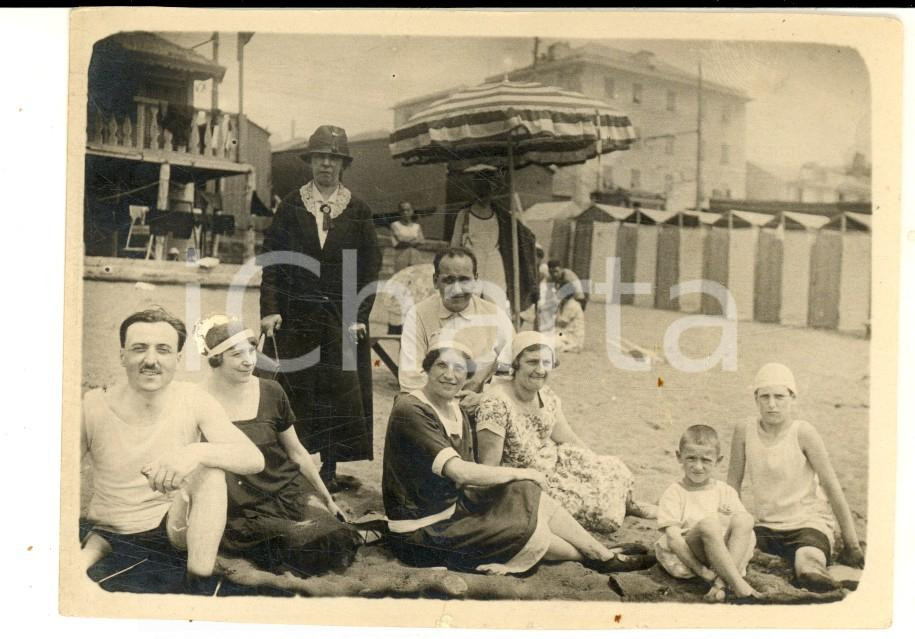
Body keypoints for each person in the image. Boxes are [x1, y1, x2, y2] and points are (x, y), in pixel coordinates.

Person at [382, 338, 656, 575]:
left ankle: (600, 553)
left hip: (454, 510)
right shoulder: (411, 409)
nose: (450, 375)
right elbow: (460, 472)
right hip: (421, 532)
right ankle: (599, 556)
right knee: (520, 523)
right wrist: (521, 472)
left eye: (459, 369)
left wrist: (521, 480)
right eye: (442, 366)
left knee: (525, 492)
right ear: (426, 368)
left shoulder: (455, 407)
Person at [80, 308, 264, 594]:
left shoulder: (193, 399)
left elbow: (254, 459)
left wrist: (194, 452)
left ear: (177, 359)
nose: (151, 360)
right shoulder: (93, 406)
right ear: (122, 356)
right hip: (109, 530)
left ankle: (198, 587)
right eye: (139, 348)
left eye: (163, 350)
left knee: (211, 473)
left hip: (170, 526)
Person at [260, 124, 382, 493]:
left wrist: (359, 317)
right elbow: (273, 263)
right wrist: (270, 308)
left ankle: (329, 470)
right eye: (319, 158)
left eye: (333, 158)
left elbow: (369, 269)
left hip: (341, 319)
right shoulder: (291, 206)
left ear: (342, 164)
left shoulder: (358, 210)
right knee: (292, 390)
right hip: (295, 317)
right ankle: (289, 467)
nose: (325, 165)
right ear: (310, 162)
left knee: (339, 393)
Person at [196, 316, 362, 576]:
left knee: (337, 535)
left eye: (251, 350)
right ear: (216, 359)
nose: (248, 361)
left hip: (286, 491)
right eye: (236, 354)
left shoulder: (272, 391)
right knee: (298, 544)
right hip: (242, 506)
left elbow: (297, 452)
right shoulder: (198, 400)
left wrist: (328, 501)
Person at [476, 332, 656, 535]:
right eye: (532, 362)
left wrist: (597, 465)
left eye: (546, 362)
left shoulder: (546, 395)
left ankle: (629, 504)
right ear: (515, 364)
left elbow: (567, 437)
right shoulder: (496, 403)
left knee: (615, 467)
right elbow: (489, 465)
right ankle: (620, 507)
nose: (540, 370)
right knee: (602, 514)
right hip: (525, 479)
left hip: (554, 464)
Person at [727, 363, 865, 592]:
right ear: (756, 399)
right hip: (764, 526)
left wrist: (852, 545)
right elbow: (732, 486)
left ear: (792, 398)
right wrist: (734, 526)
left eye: (779, 396)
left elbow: (832, 488)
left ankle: (831, 581)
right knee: (732, 560)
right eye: (765, 397)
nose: (772, 404)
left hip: (807, 524)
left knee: (808, 567)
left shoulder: (803, 433)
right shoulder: (744, 430)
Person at [398, 247, 515, 412]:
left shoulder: (495, 315)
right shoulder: (418, 314)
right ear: (435, 281)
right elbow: (409, 377)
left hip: (480, 407)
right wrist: (449, 403)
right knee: (404, 406)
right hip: (432, 406)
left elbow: (515, 367)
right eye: (449, 280)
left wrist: (486, 397)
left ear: (476, 280)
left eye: (464, 280)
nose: (457, 289)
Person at [656, 424, 761, 602]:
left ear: (718, 461)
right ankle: (739, 585)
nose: (698, 467)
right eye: (691, 458)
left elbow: (740, 531)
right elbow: (674, 540)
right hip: (691, 555)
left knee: (745, 519)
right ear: (679, 457)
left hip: (724, 555)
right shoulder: (674, 493)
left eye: (705, 460)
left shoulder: (725, 491)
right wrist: (703, 572)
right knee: (709, 524)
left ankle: (722, 584)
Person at [450, 165, 539, 315]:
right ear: (475, 190)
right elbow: (453, 246)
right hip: (471, 262)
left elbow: (525, 235)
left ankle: (496, 335)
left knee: (496, 300)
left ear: (494, 190)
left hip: (494, 260)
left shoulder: (501, 215)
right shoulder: (464, 214)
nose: (485, 193)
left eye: (489, 188)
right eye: (482, 188)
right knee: (470, 302)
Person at [390, 200, 425, 273]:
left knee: (415, 279)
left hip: (415, 256)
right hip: (401, 255)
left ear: (412, 211)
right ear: (399, 212)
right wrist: (414, 240)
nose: (405, 213)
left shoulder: (417, 226)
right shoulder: (395, 225)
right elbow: (399, 241)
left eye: (408, 210)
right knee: (401, 279)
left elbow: (421, 241)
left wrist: (407, 241)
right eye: (403, 210)